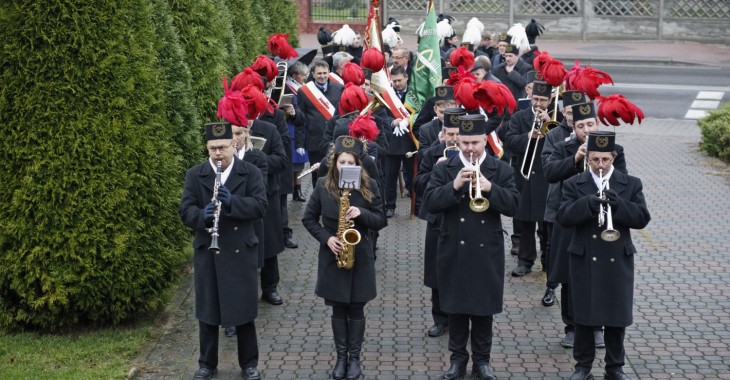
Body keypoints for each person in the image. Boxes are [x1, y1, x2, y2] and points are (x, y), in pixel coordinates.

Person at [424, 114, 519, 380]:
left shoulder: (500, 169)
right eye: (465, 142)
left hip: (485, 250)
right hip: (453, 247)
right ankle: (457, 360)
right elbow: (430, 202)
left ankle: (482, 361)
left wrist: (489, 188)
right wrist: (454, 185)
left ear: (485, 142)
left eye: (475, 143)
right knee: (454, 309)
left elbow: (514, 205)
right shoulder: (445, 167)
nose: (469, 148)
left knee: (482, 310)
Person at [557, 130, 650, 380]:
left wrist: (619, 204)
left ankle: (615, 366)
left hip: (617, 257)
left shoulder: (630, 184)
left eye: (605, 160)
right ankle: (583, 366)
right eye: (595, 160)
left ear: (613, 157)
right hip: (585, 256)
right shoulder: (573, 183)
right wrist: (587, 203)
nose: (600, 165)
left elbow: (642, 219)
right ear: (587, 158)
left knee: (616, 315)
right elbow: (563, 217)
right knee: (584, 315)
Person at [179, 122, 268, 380]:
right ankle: (207, 363)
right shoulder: (195, 175)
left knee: (243, 311)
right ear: (207, 148)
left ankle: (249, 363)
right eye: (213, 148)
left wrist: (234, 203)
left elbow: (261, 206)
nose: (218, 153)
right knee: (208, 311)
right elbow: (185, 210)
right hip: (208, 250)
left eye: (223, 147)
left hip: (240, 251)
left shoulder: (249, 172)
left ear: (234, 145)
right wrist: (201, 216)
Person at [302, 135, 387, 380]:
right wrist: (326, 238)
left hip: (360, 255)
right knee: (338, 309)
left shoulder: (369, 185)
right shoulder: (321, 186)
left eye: (351, 163)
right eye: (342, 163)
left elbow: (381, 220)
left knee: (357, 308)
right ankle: (341, 358)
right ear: (334, 163)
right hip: (333, 255)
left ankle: (355, 359)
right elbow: (308, 219)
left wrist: (361, 213)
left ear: (359, 164)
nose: (346, 168)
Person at [544, 101, 627, 349]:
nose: (586, 130)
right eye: (581, 126)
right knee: (570, 275)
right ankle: (572, 326)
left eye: (590, 124)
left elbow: (623, 180)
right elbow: (549, 172)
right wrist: (574, 158)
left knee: (600, 274)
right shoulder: (561, 146)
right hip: (569, 219)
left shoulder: (614, 150)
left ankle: (598, 327)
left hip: (601, 222)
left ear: (597, 123)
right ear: (573, 126)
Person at [413, 107, 464, 339]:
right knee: (436, 270)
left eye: (457, 134)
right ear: (442, 134)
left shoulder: (472, 154)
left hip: (464, 217)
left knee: (462, 269)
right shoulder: (431, 153)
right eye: (449, 134)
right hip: (438, 218)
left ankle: (462, 317)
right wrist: (437, 169)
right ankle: (440, 319)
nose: (453, 138)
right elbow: (418, 183)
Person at [539, 90, 588, 308]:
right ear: (562, 112)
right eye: (570, 113)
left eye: (578, 114)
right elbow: (550, 171)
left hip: (583, 205)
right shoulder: (554, 135)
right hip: (558, 202)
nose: (574, 117)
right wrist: (574, 158)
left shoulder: (593, 137)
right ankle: (551, 285)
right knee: (552, 248)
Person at [505, 81, 553, 277]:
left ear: (550, 101)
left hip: (545, 178)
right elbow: (509, 141)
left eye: (542, 100)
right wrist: (527, 136)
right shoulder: (519, 117)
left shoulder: (555, 119)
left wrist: (549, 123)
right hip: (523, 177)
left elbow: (562, 144)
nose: (538, 104)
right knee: (524, 222)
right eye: (535, 99)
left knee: (546, 225)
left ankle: (548, 261)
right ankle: (525, 261)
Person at [297, 59, 344, 186]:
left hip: (335, 139)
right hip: (314, 141)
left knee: (336, 173)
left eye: (325, 73)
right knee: (317, 175)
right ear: (313, 74)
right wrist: (299, 143)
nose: (322, 76)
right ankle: (318, 202)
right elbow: (301, 119)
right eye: (319, 73)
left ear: (329, 72)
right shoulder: (304, 91)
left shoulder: (339, 88)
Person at [382, 65, 415, 218]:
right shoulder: (386, 95)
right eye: (394, 81)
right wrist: (392, 121)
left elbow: (421, 113)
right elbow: (380, 115)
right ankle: (390, 206)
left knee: (414, 175)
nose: (397, 84)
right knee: (390, 176)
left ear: (406, 77)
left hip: (410, 141)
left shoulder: (415, 94)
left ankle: (417, 204)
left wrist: (409, 120)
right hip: (392, 143)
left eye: (399, 80)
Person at [285, 61, 310, 202]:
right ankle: (290, 188)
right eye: (302, 75)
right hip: (291, 126)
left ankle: (298, 190)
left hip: (301, 126)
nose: (305, 78)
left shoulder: (302, 87)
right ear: (294, 75)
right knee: (292, 160)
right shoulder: (288, 88)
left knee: (300, 162)